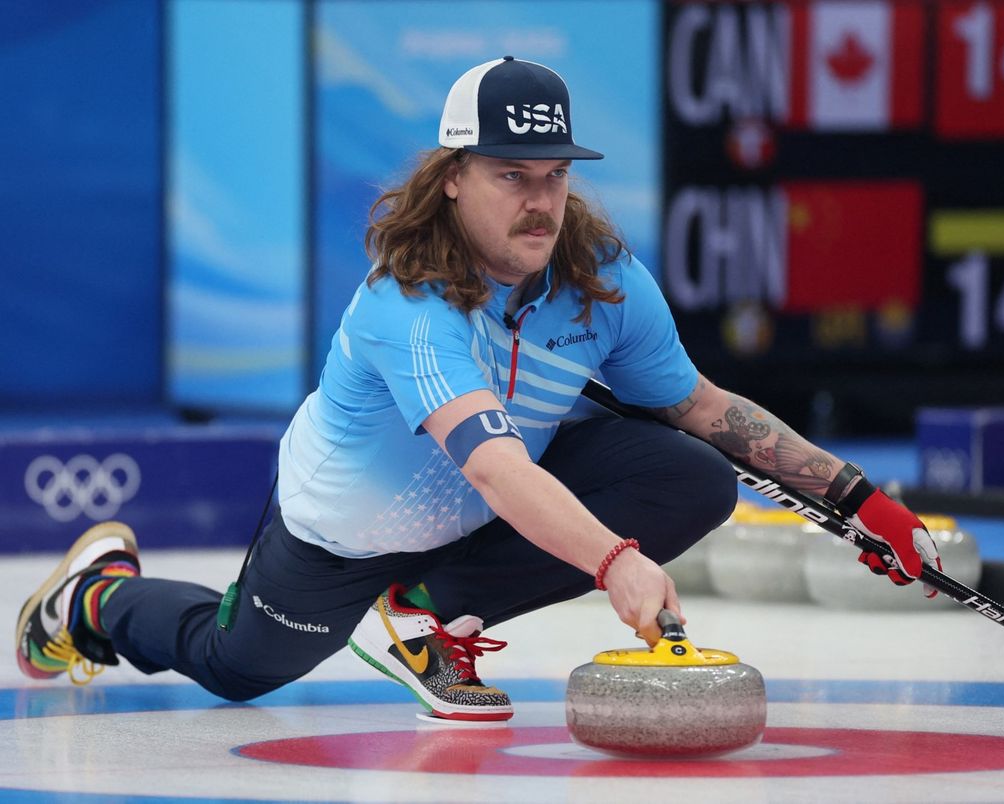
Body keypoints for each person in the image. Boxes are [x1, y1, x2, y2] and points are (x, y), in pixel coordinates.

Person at [15, 56, 939, 721]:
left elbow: (701, 407)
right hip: (341, 534)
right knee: (238, 668)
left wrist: (862, 500)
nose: (540, 201)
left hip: (467, 530)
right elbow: (496, 468)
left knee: (694, 473)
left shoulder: (602, 276)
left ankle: (427, 610)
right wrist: (617, 564)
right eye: (511, 177)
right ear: (453, 179)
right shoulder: (406, 303)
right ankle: (93, 598)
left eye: (555, 176)